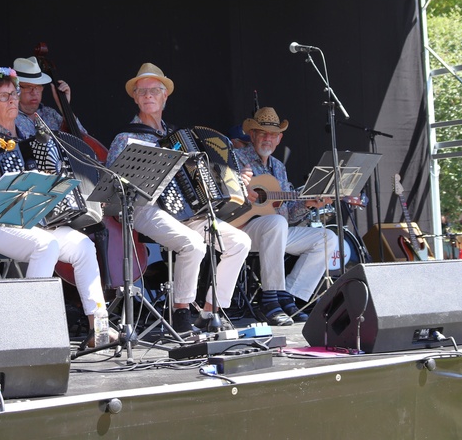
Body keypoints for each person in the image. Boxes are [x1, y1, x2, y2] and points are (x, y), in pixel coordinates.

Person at [0, 67, 114, 346]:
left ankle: (100, 327)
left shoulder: (31, 132)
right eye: (3, 96)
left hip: (35, 220)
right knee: (44, 246)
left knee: (84, 246)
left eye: (14, 94)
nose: (13, 100)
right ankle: (30, 330)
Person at [106, 63, 251, 333]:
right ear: (135, 98)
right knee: (194, 245)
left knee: (240, 242)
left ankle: (210, 312)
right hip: (144, 209)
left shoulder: (181, 138)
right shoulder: (125, 138)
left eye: (154, 91)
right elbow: (113, 188)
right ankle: (181, 313)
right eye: (142, 91)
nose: (148, 95)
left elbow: (204, 180)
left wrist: (233, 182)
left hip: (186, 213)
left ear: (165, 96)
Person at [233, 107, 339, 326]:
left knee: (328, 238)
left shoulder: (279, 167)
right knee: (276, 223)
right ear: (252, 135)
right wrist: (242, 189)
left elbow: (288, 214)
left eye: (273, 135)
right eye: (262, 133)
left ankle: (289, 296)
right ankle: (270, 300)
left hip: (276, 230)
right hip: (243, 230)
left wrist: (307, 204)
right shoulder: (237, 159)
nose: (267, 139)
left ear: (279, 139)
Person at [13, 56, 90, 136]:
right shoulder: (10, 116)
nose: (34, 92)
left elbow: (83, 139)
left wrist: (64, 107)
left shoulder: (50, 114)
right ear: (16, 89)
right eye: (28, 87)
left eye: (38, 86)